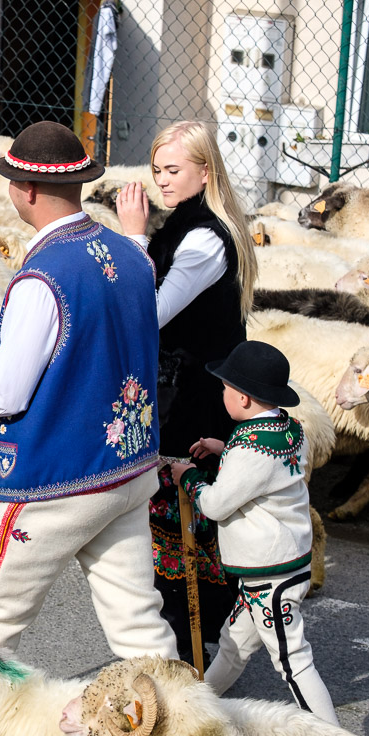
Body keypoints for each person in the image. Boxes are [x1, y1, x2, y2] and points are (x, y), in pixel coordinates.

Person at [0, 120, 177, 659]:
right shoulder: (134, 255)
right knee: (140, 629)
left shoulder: (42, 279)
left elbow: (6, 393)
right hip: (127, 471)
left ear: (27, 190)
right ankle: (187, 733)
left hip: (56, 483)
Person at [114, 120, 259, 666]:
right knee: (167, 526)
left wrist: (133, 237)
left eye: (173, 170)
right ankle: (183, 649)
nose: (162, 180)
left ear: (205, 170)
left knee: (185, 523)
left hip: (196, 398)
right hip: (178, 387)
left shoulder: (204, 238)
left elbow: (149, 313)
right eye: (156, 170)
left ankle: (195, 655)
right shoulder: (183, 226)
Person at [169, 341, 337, 723]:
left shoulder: (251, 449)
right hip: (280, 562)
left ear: (243, 399)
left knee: (294, 662)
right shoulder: (289, 430)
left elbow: (214, 504)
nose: (222, 392)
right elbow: (263, 474)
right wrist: (225, 449)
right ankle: (196, 713)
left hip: (269, 572)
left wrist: (190, 476)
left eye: (225, 388)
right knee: (233, 646)